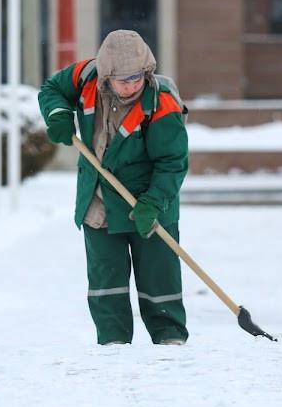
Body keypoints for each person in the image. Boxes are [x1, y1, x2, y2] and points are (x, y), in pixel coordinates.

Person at [38, 29, 189, 345]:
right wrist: (58, 114)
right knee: (107, 280)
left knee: (159, 277)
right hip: (99, 200)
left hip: (147, 202)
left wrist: (153, 201)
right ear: (107, 76)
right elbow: (52, 88)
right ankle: (113, 344)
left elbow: (172, 162)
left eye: (137, 77)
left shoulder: (161, 103)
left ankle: (169, 341)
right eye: (123, 80)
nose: (131, 85)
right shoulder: (86, 77)